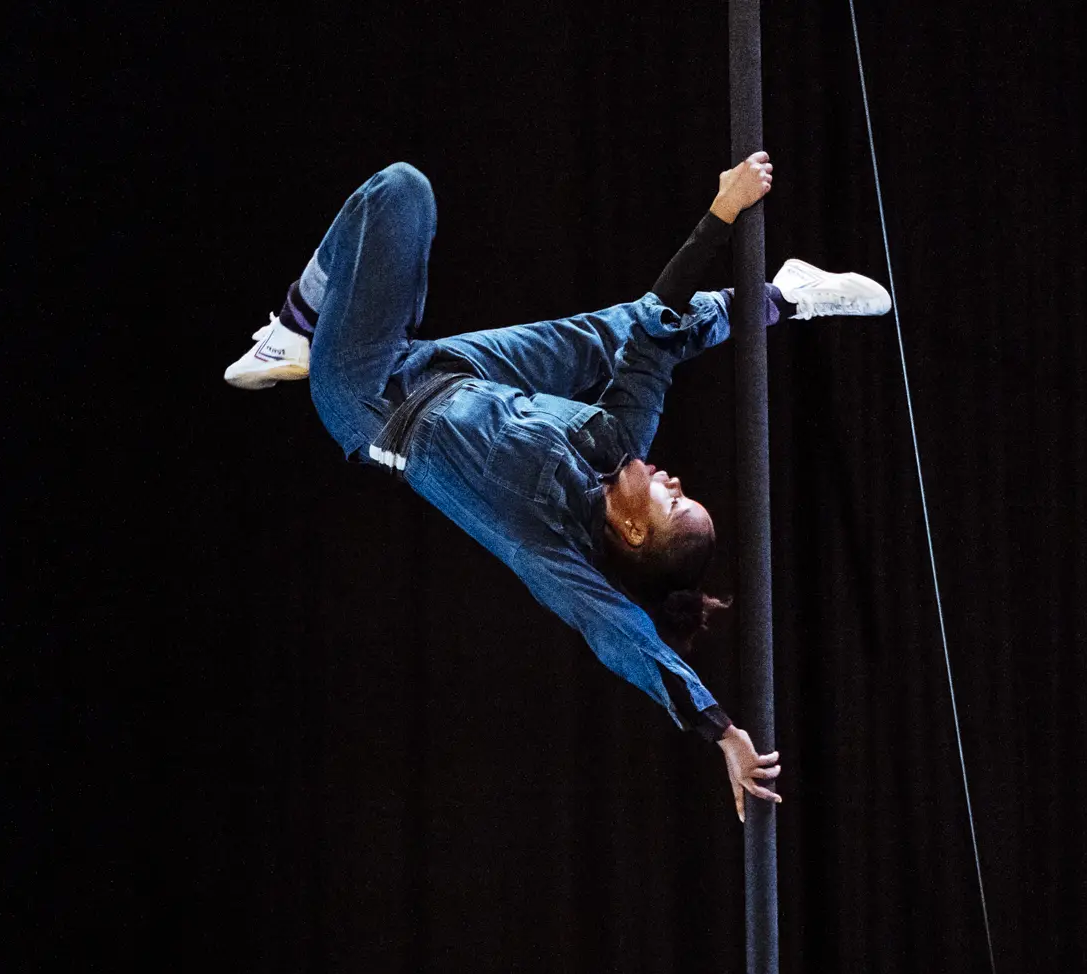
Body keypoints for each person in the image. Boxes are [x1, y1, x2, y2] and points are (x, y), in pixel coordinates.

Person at [222, 155, 890, 820]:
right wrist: (720, 214)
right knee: (634, 329)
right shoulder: (619, 437)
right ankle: (785, 297)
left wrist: (724, 732)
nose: (677, 480)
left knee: (401, 192)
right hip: (457, 370)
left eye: (677, 504)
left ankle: (293, 329)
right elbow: (658, 325)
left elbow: (627, 639)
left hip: (370, 402)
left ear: (633, 532)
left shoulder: (552, 548)